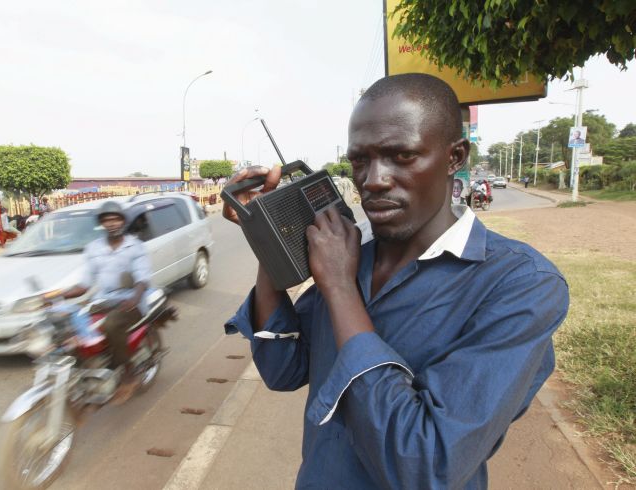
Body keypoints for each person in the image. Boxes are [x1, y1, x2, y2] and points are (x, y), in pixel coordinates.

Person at [223, 73, 569, 489]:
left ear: (455, 157)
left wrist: (340, 289)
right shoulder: (353, 257)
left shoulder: (519, 285)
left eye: (401, 156)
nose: (373, 180)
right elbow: (283, 370)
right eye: (360, 160)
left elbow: (424, 464)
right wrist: (268, 231)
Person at [60, 201, 152, 402]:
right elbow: (84, 284)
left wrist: (135, 298)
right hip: (102, 301)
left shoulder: (134, 246)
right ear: (102, 224)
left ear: (123, 222)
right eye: (106, 220)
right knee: (73, 327)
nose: (111, 224)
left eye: (115, 219)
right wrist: (57, 296)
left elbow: (142, 278)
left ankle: (129, 373)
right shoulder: (94, 248)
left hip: (131, 302)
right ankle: (86, 372)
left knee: (111, 325)